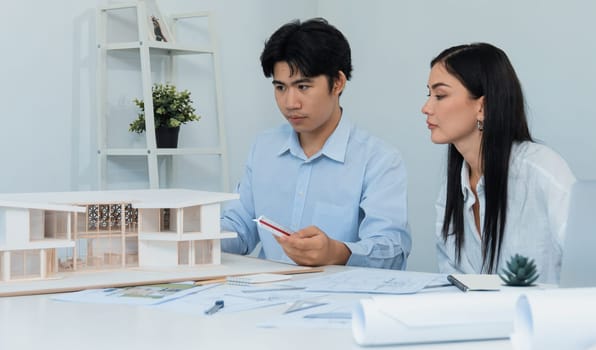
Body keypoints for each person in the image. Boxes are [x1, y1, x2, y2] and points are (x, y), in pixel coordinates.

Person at [221, 18, 411, 269]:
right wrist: (192, 239)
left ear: (338, 83)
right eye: (280, 87)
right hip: (267, 297)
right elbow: (240, 227)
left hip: (343, 301)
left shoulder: (378, 159)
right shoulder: (263, 148)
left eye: (303, 86)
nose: (290, 102)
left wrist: (338, 252)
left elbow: (392, 250)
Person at [421, 43, 576, 283]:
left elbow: (587, 262)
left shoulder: (541, 170)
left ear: (482, 106)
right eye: (428, 94)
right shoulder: (452, 188)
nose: (426, 108)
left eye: (440, 95)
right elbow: (454, 281)